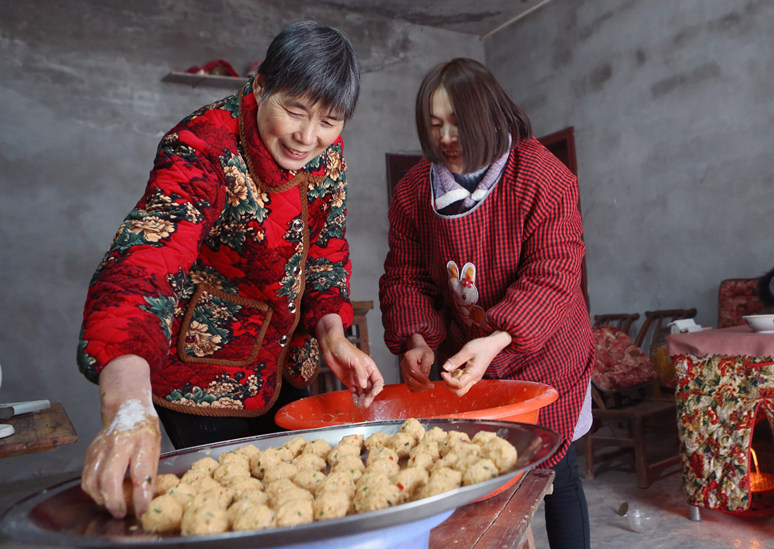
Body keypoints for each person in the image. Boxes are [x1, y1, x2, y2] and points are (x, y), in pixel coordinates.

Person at [78, 21, 384, 520]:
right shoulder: (203, 144)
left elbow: (327, 250)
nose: (308, 136)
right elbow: (146, 259)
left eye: (329, 120)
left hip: (285, 364)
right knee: (224, 510)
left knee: (286, 506)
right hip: (204, 374)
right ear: (261, 85)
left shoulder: (325, 153)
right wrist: (127, 404)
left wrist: (333, 334)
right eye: (294, 111)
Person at [379, 58, 593, 549]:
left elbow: (555, 272)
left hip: (547, 351)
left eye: (458, 123)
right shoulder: (415, 190)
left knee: (556, 475)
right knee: (481, 480)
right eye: (435, 127)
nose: (447, 138)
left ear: (490, 117)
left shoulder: (542, 175)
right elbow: (406, 275)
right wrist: (416, 339)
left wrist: (500, 338)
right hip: (466, 354)